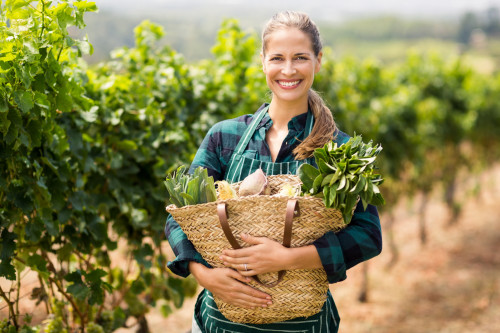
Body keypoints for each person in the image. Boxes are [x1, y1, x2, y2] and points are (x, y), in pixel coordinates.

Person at [165, 11, 382, 332]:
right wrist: (205, 275)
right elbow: (178, 217)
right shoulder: (225, 136)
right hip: (220, 320)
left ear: (318, 61)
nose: (288, 70)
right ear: (263, 61)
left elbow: (368, 235)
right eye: (278, 58)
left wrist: (288, 258)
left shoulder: (339, 149)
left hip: (303, 323)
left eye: (300, 58)